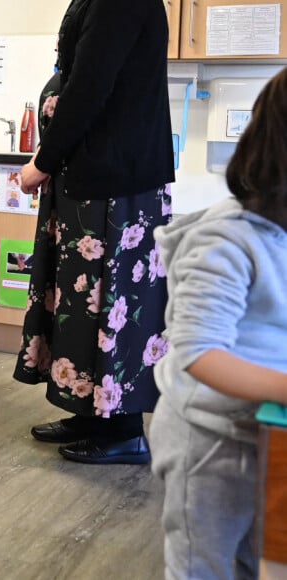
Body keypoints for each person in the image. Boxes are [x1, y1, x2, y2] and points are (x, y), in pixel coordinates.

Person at [14, 0, 175, 465]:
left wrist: (42, 161)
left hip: (116, 184)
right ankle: (90, 411)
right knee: (83, 305)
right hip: (98, 178)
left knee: (113, 302)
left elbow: (89, 86)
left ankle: (123, 430)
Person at [149, 69, 287, 580]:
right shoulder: (227, 240)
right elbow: (199, 352)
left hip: (268, 430)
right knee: (201, 565)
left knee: (261, 560)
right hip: (208, 440)